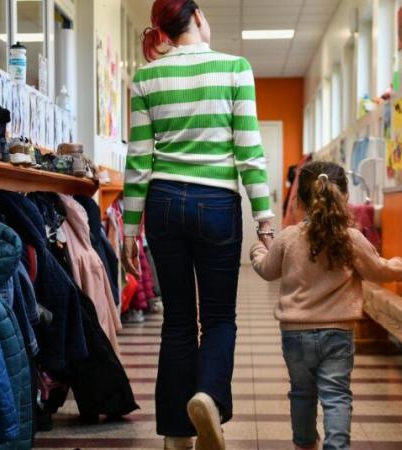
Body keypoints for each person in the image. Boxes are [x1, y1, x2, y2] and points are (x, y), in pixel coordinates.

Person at [120, 1, 274, 449]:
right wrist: (264, 217)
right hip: (217, 205)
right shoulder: (234, 68)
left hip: (164, 205)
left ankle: (175, 435)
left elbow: (138, 161)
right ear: (199, 16)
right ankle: (208, 398)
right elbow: (249, 150)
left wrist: (129, 231)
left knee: (178, 322)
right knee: (220, 317)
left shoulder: (147, 77)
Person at [250, 161, 402, 450]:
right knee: (336, 396)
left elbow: (267, 269)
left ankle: (305, 444)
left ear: (299, 199)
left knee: (301, 393)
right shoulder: (351, 238)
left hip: (294, 335)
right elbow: (378, 271)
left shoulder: (287, 237)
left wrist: (258, 249)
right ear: (344, 196)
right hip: (338, 333)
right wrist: (400, 266)